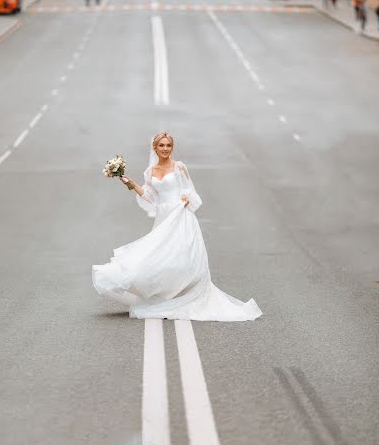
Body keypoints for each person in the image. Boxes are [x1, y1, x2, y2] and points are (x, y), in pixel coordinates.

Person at [92, 132, 263, 321]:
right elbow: (150, 198)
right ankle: (161, 293)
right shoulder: (150, 172)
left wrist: (186, 197)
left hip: (181, 215)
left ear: (172, 147)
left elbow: (191, 191)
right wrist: (130, 183)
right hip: (164, 217)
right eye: (161, 146)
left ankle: (184, 294)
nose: (165, 149)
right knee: (160, 255)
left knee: (181, 255)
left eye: (168, 145)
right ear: (155, 148)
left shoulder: (179, 167)